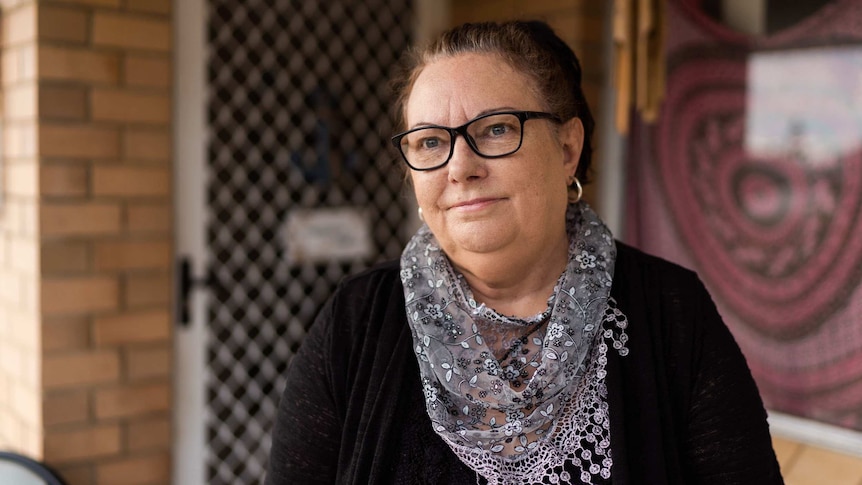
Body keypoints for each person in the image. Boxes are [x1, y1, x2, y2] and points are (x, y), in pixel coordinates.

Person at [265, 20, 783, 484]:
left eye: (495, 130)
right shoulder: (356, 325)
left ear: (566, 149)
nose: (459, 167)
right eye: (429, 142)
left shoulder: (672, 313)